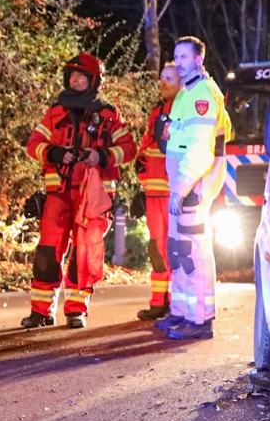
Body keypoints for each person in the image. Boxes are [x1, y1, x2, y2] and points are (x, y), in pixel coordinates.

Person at [21, 51, 136, 329]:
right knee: (48, 252)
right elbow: (33, 145)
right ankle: (41, 312)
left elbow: (130, 149)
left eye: (81, 76)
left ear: (93, 81)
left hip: (92, 197)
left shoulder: (109, 114)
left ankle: (76, 310)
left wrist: (101, 156)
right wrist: (55, 153)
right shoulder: (55, 112)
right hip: (58, 194)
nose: (75, 79)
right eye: (72, 75)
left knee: (84, 254)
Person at [158, 35, 231, 340]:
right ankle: (181, 312)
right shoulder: (187, 93)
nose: (179, 63)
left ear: (199, 59)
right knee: (178, 251)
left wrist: (182, 188)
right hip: (184, 186)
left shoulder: (202, 94)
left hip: (193, 186)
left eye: (185, 57)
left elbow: (201, 149)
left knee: (192, 253)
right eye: (176, 57)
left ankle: (200, 320)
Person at [134, 61, 182, 321]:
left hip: (175, 196)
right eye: (162, 78)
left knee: (174, 250)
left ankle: (177, 305)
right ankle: (158, 303)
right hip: (154, 195)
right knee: (156, 249)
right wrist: (143, 182)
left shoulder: (184, 111)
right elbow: (144, 151)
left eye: (169, 79)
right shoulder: (157, 113)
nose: (163, 83)